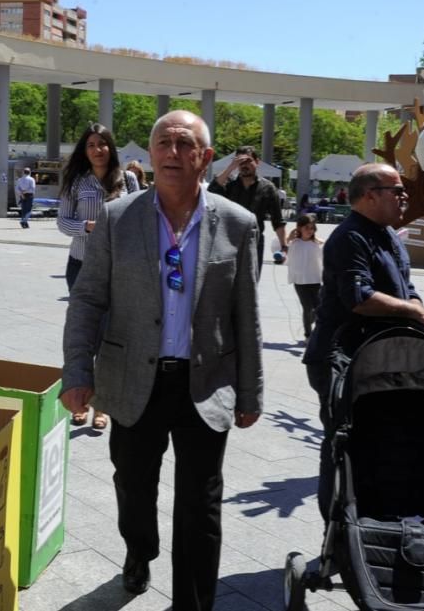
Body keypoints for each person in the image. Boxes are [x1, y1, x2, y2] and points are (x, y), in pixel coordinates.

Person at [61, 110, 262, 610]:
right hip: (131, 380)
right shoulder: (116, 217)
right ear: (149, 155)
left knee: (201, 504)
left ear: (206, 157)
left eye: (185, 144)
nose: (173, 152)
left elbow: (247, 317)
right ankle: (140, 549)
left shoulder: (239, 225)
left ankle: (192, 603)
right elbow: (87, 300)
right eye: (163, 143)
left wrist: (252, 391)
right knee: (133, 486)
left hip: (205, 384)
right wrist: (77, 373)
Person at [302, 163, 424, 525]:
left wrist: (418, 309)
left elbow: (407, 288)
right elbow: (358, 297)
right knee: (342, 444)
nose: (404, 196)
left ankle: (368, 527)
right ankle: (336, 532)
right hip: (340, 357)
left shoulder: (388, 234)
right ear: (369, 195)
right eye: (397, 190)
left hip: (378, 357)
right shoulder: (350, 237)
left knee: (377, 444)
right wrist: (413, 312)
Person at [56, 123, 138, 429]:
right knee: (84, 333)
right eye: (91, 145)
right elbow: (63, 222)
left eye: (102, 144)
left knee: (109, 337)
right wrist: (87, 227)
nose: (97, 150)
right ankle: (82, 399)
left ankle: (102, 405)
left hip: (120, 267)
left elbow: (140, 217)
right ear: (84, 150)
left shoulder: (127, 178)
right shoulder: (76, 180)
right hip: (82, 264)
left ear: (111, 148)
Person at [208, 145, 287, 277]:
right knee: (228, 284)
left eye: (248, 161)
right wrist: (230, 167)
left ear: (257, 162)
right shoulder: (229, 186)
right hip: (229, 243)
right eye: (241, 162)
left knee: (251, 283)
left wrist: (284, 246)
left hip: (254, 243)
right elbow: (211, 191)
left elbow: (277, 221)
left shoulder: (267, 188)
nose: (244, 165)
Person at [287, 213, 323, 340]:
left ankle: (310, 321)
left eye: (312, 228)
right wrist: (288, 239)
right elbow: (281, 252)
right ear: (299, 228)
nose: (310, 230)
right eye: (307, 227)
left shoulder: (318, 244)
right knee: (307, 308)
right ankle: (308, 335)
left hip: (315, 280)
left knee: (319, 308)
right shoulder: (294, 243)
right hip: (300, 281)